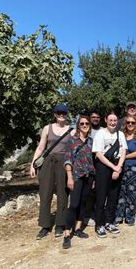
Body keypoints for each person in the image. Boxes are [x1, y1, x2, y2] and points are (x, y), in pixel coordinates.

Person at [30, 103, 73, 240]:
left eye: (64, 113)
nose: (61, 115)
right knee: (45, 193)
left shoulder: (71, 130)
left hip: (63, 162)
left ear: (66, 115)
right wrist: (33, 164)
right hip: (47, 162)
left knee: (63, 193)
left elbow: (73, 151)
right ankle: (45, 225)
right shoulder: (47, 128)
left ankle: (60, 224)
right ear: (54, 114)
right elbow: (40, 148)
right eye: (59, 112)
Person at [92, 111, 127, 238]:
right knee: (101, 196)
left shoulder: (120, 134)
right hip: (103, 167)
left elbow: (123, 150)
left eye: (115, 120)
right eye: (110, 120)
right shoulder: (100, 134)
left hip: (117, 166)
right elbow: (99, 154)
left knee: (113, 196)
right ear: (106, 120)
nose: (113, 123)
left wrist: (119, 168)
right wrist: (114, 168)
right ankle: (99, 224)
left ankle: (109, 222)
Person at [62, 115, 95, 249]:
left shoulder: (92, 141)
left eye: (87, 123)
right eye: (82, 123)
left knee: (83, 204)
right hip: (76, 176)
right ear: (78, 125)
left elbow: (94, 160)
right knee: (74, 204)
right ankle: (66, 234)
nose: (84, 125)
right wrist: (69, 177)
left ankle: (78, 229)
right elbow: (68, 160)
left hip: (89, 176)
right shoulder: (72, 141)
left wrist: (94, 178)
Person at [115, 116, 136, 226]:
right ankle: (119, 215)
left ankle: (130, 216)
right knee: (120, 192)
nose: (130, 124)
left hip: (133, 168)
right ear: (125, 123)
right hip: (121, 167)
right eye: (128, 122)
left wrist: (123, 157)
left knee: (131, 193)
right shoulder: (120, 136)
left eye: (133, 122)